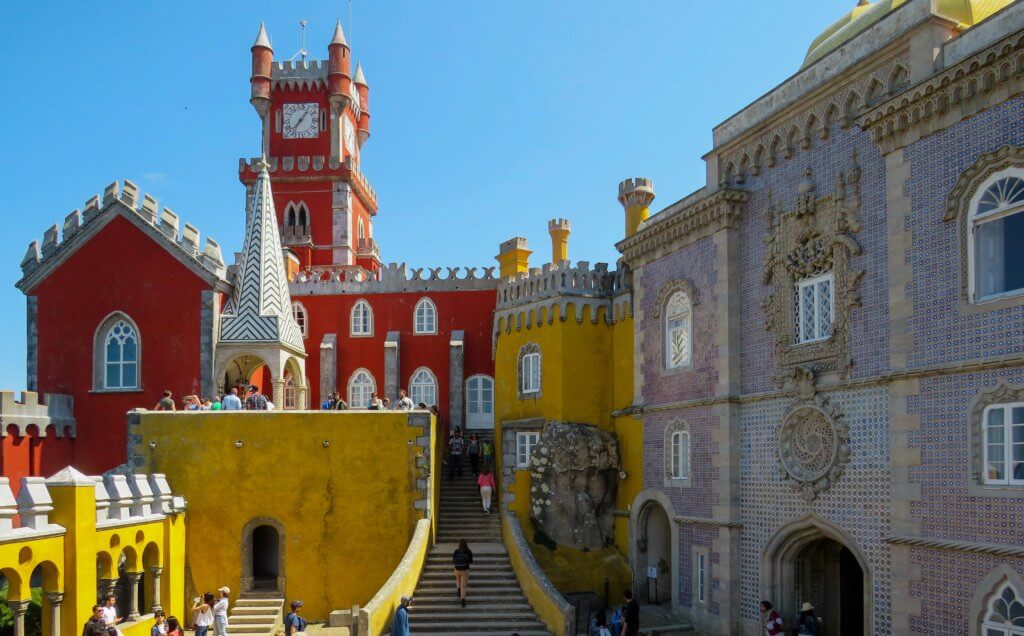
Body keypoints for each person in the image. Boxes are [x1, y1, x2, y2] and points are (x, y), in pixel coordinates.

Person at [453, 539, 473, 607]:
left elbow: (453, 560)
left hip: (457, 569)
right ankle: (463, 601)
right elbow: (471, 561)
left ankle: (458, 590)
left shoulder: (456, 551)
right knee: (463, 586)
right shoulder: (468, 551)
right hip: (465, 570)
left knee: (458, 580)